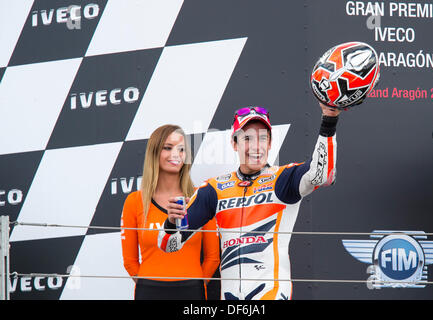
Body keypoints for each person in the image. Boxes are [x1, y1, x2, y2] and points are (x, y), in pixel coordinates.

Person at [158, 103, 341, 300]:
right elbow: (169, 245)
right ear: (234, 143)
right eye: (247, 138)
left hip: (272, 294)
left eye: (263, 138)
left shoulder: (284, 178)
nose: (256, 146)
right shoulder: (215, 189)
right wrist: (171, 223)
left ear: (270, 144)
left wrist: (329, 120)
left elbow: (323, 175)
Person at [121, 124, 220, 300]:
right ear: (154, 152)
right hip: (149, 290)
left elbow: (213, 258)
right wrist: (151, 284)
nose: (176, 154)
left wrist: (195, 284)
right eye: (168, 148)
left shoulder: (201, 197)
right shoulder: (134, 201)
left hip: (192, 290)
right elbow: (130, 261)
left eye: (181, 149)